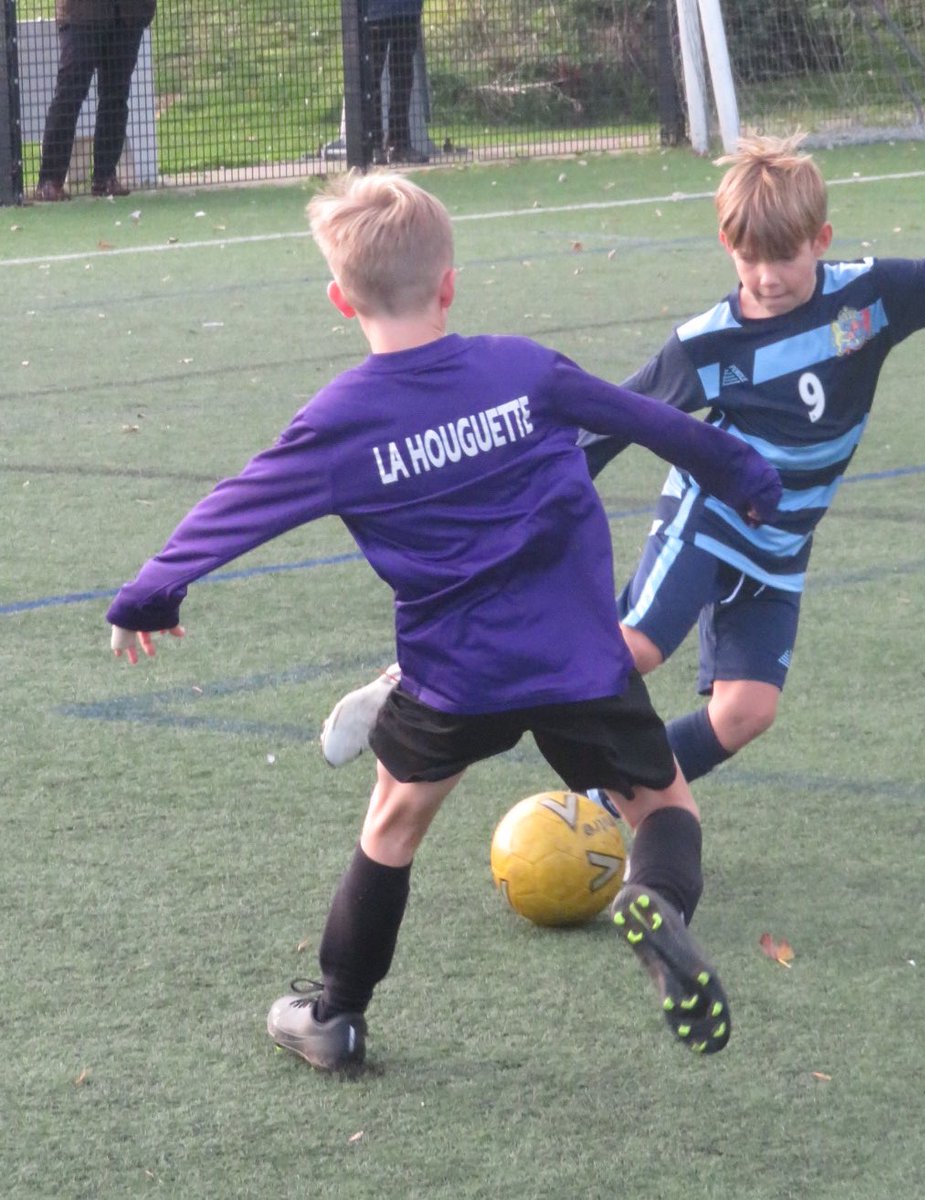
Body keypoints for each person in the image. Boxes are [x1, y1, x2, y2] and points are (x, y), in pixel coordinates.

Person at [105, 172, 782, 1070]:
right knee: (663, 803)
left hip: (455, 675)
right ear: (450, 282)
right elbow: (651, 420)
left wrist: (151, 593)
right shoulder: (523, 368)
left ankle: (337, 1016)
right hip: (577, 656)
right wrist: (747, 478)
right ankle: (654, 900)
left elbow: (241, 503)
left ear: (340, 299)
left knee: (393, 823)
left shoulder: (343, 420)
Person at [319, 133, 925, 799]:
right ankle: (414, 682)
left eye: (783, 258)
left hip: (783, 547)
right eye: (749, 259)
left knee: (746, 712)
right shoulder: (709, 343)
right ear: (729, 248)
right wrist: (517, 512)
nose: (766, 278)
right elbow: (611, 421)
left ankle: (613, 799)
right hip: (711, 521)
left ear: (821, 239)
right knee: (630, 653)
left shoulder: (873, 300)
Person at [33, 0, 157, 201]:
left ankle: (105, 177)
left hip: (128, 14)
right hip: (82, 13)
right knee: (70, 93)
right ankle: (49, 180)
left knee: (116, 95)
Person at [365, 0, 427, 165]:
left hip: (407, 11)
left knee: (403, 76)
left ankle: (399, 143)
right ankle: (375, 145)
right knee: (371, 78)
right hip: (373, 13)